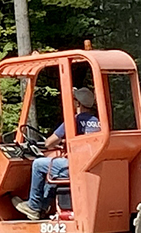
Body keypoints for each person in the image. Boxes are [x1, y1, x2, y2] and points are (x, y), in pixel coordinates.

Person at [17, 85, 100, 219]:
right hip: (90, 165)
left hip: (74, 166)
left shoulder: (74, 120)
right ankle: (43, 207)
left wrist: (52, 143)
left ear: (78, 104)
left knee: (38, 164)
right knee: (53, 170)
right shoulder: (97, 122)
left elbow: (49, 143)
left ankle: (33, 206)